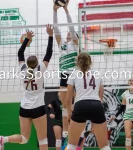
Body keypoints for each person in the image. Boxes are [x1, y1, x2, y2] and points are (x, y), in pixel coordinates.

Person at [0, 24, 53, 150]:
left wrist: (27, 38)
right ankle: (2, 139)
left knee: (24, 138)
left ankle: (3, 139)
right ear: (37, 63)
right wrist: (50, 35)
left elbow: (20, 52)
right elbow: (49, 53)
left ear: (26, 63)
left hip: (24, 107)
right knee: (43, 140)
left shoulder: (22, 70)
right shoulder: (40, 69)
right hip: (38, 107)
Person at [66, 52, 111, 150]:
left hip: (80, 105)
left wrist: (69, 113)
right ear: (90, 62)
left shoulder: (73, 75)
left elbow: (68, 99)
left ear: (77, 62)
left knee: (71, 145)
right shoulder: (97, 74)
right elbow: (101, 97)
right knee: (104, 146)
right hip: (96, 105)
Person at [53, 0, 79, 147]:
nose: (69, 32)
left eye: (71, 32)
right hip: (63, 75)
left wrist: (66, 10)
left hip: (74, 76)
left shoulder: (75, 43)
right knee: (65, 108)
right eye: (68, 32)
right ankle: (66, 139)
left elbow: (71, 25)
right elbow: (56, 28)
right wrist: (55, 10)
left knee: (73, 107)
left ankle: (77, 137)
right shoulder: (61, 43)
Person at [115, 78, 133, 150]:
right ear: (128, 83)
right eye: (130, 80)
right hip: (128, 116)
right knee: (128, 135)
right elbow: (122, 107)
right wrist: (115, 116)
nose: (131, 82)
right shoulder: (125, 93)